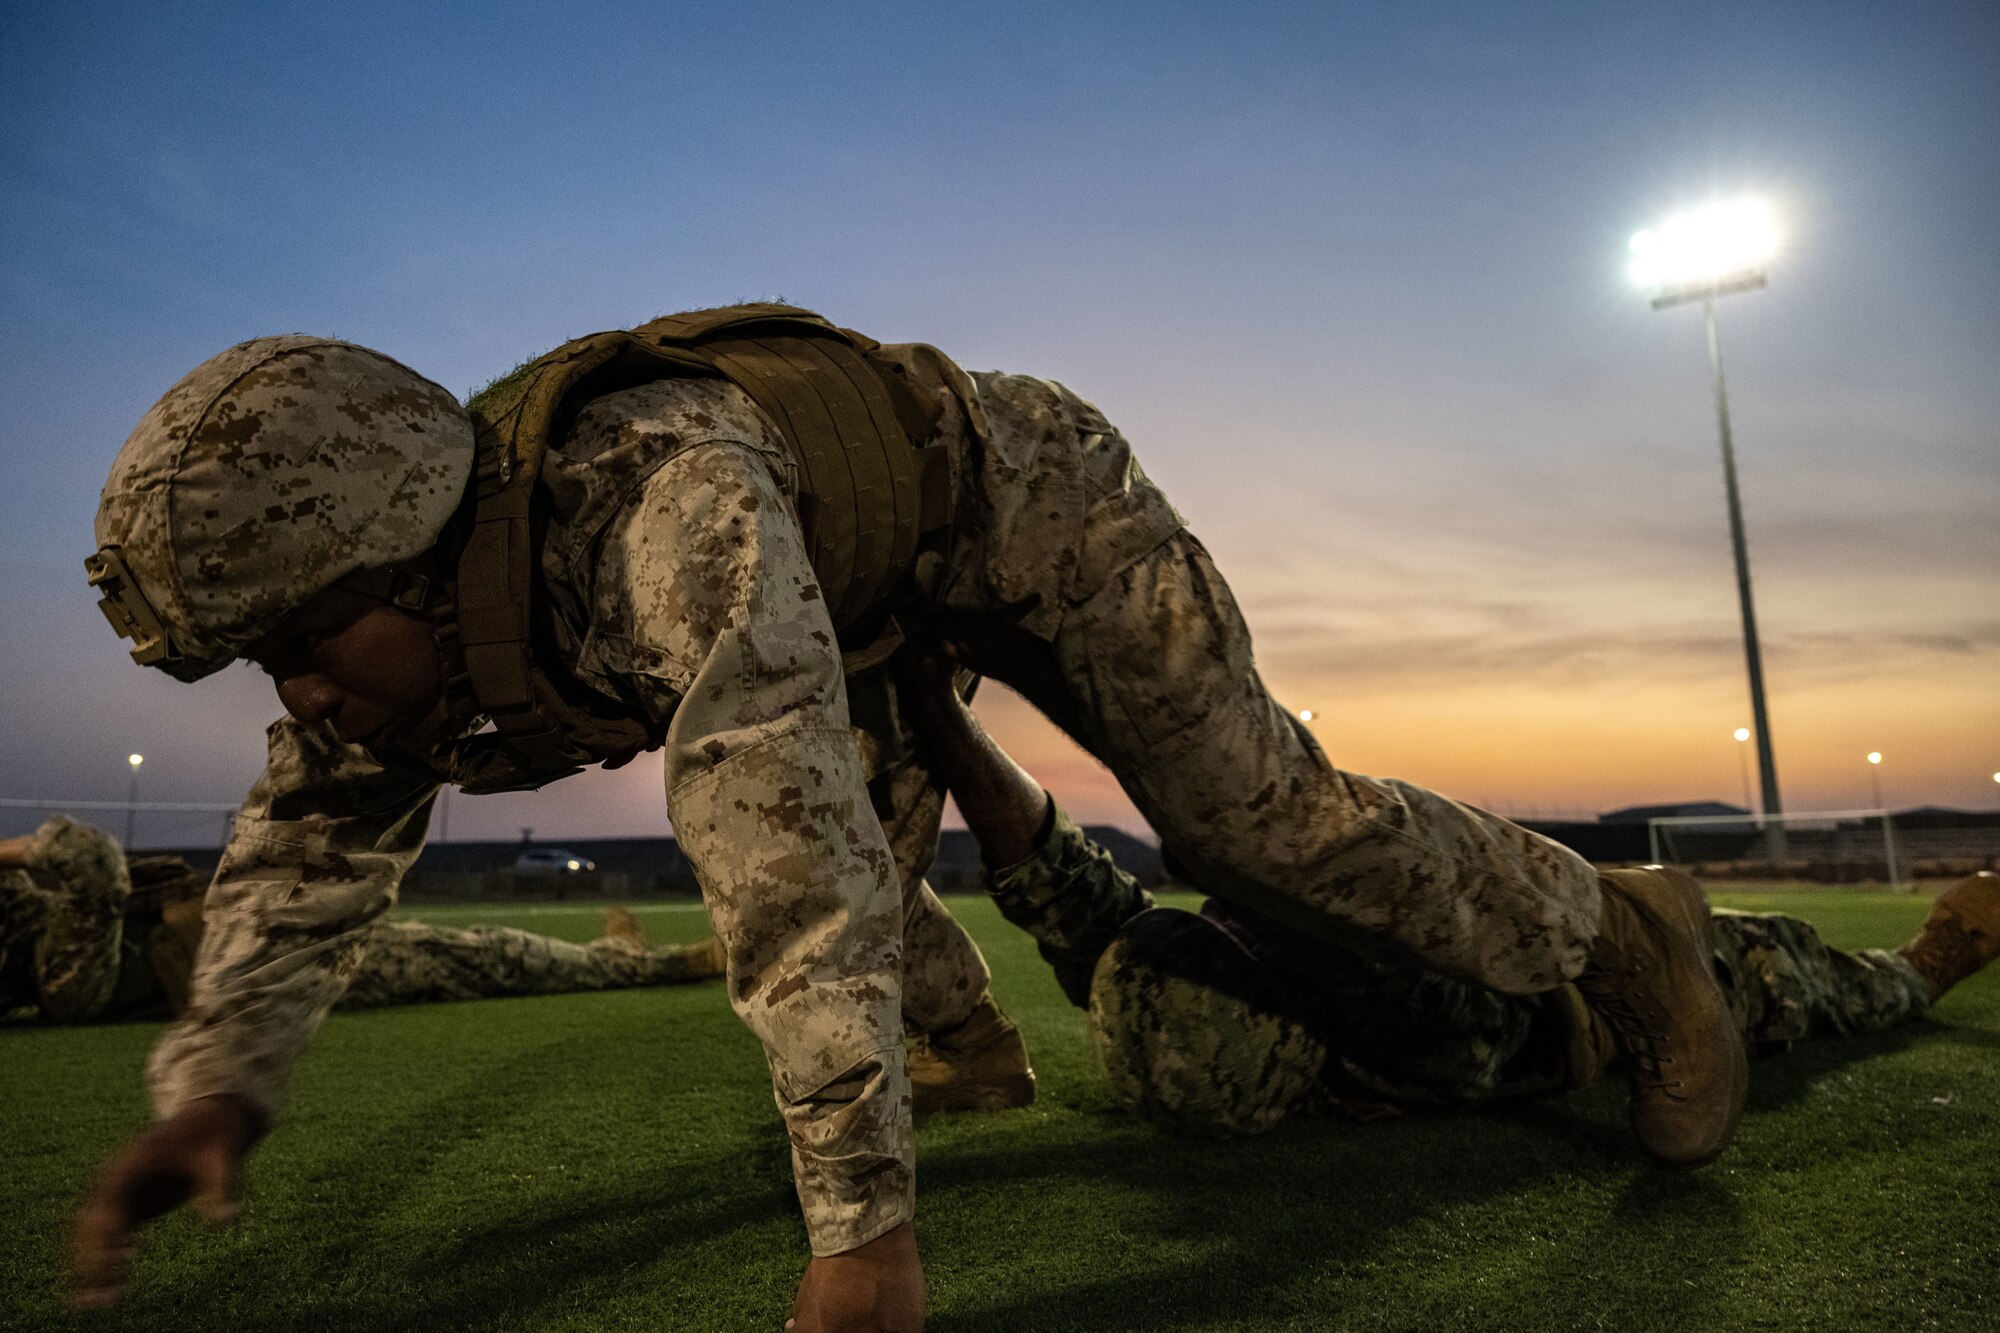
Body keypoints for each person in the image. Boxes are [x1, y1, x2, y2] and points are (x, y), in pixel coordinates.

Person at [74, 305, 1746, 1331]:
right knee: (867, 841)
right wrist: (215, 1087)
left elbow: (779, 857)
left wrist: (862, 1232)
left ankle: (1622, 927)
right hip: (867, 599)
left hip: (1025, 498)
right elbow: (299, 856)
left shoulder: (663, 516)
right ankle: (971, 1045)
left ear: (410, 551)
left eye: (304, 643)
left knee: (1254, 826)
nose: (299, 698)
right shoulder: (398, 642)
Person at [893, 644, 2000, 1133]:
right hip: (1595, 988)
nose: (1220, 934)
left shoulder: (1186, 1021)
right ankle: (1932, 955)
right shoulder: (1397, 1020)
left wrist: (940, 714)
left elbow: (1058, 878)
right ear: (1286, 1007)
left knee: (1112, 926)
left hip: (1522, 922)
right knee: (1821, 983)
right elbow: (1287, 871)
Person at [1, 816, 726, 1025]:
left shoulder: (55, 949)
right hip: (276, 971)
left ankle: (617, 954)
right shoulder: (64, 977)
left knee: (478, 951)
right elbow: (92, 858)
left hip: (273, 939)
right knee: (491, 955)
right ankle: (654, 962)